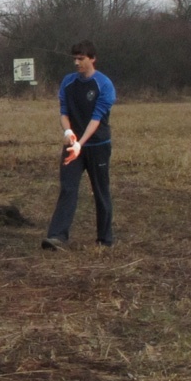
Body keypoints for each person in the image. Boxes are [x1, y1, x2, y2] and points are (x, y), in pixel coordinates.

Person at [42, 40, 116, 250]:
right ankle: (57, 236)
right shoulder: (68, 82)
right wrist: (68, 132)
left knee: (100, 190)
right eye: (74, 58)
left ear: (92, 59)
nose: (76, 63)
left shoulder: (104, 84)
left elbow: (96, 118)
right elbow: (64, 113)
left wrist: (80, 144)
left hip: (97, 145)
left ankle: (105, 238)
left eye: (81, 58)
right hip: (73, 146)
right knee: (68, 188)